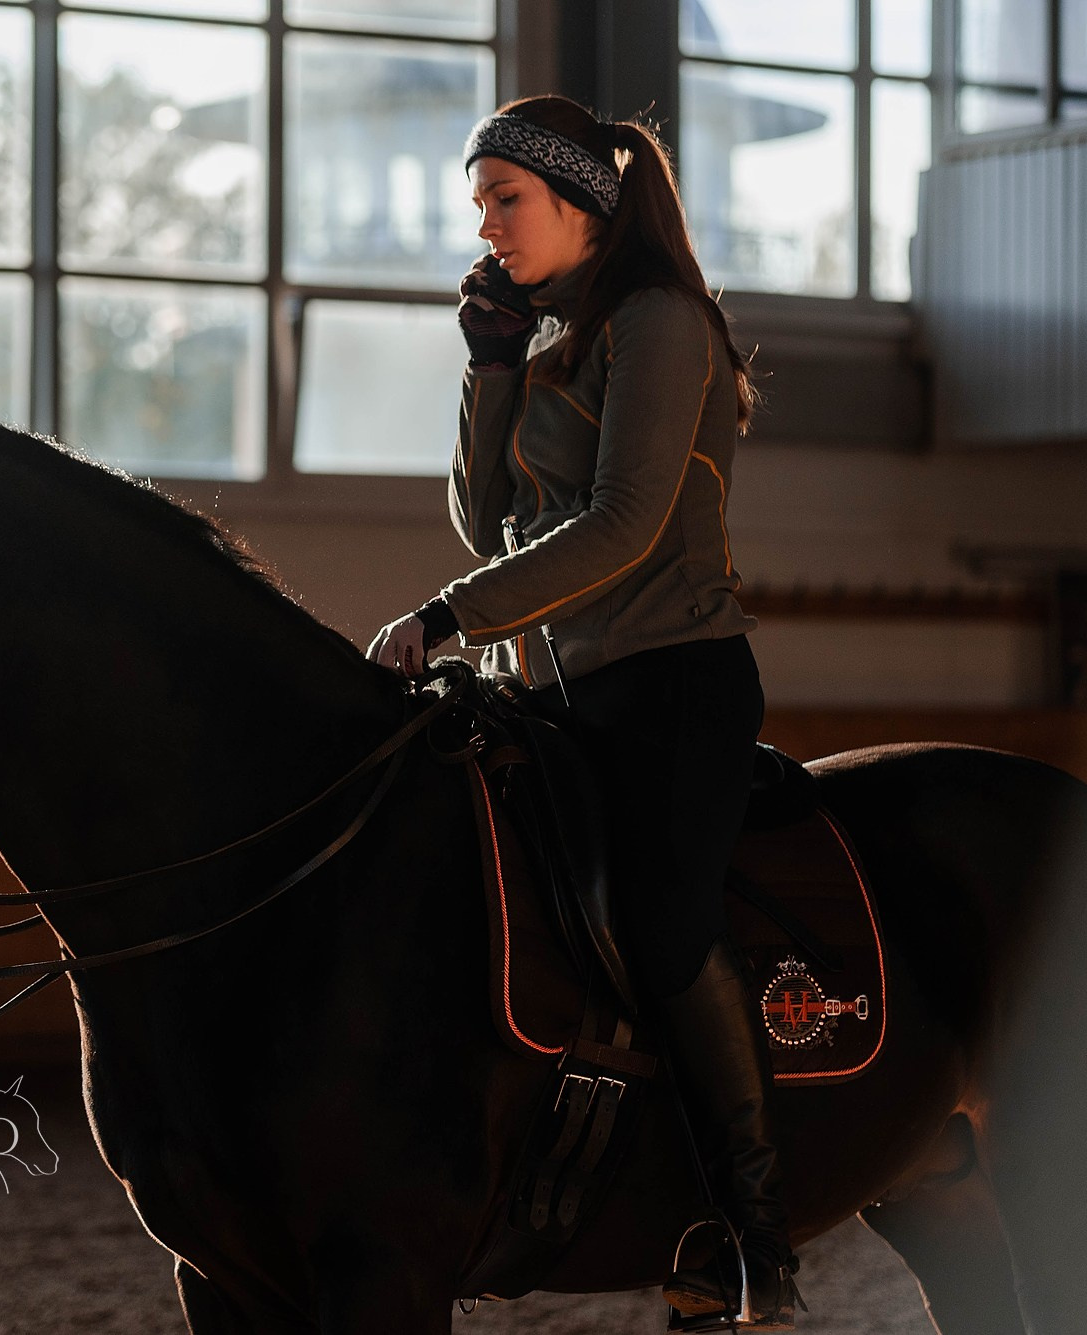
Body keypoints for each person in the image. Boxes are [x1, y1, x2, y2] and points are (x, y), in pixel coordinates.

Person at [365, 96, 799, 1329]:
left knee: (659, 927)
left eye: (505, 199)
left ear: (580, 202)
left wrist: (445, 618)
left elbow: (623, 529)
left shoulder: (658, 324)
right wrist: (489, 368)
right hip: (546, 693)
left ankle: (752, 1228)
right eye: (480, 205)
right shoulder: (550, 334)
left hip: (666, 685)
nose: (486, 226)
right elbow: (483, 514)